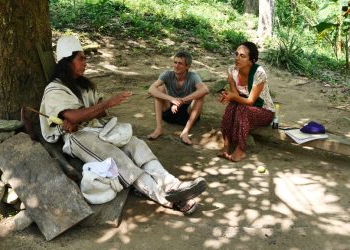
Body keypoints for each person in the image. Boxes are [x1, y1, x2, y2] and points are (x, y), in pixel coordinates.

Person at [39, 35, 206, 215]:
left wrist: (88, 112)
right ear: (67, 61)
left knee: (137, 145)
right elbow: (73, 115)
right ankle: (168, 199)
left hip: (97, 127)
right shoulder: (55, 89)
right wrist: (99, 107)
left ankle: (174, 185)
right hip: (78, 137)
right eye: (81, 59)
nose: (85, 63)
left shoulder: (82, 85)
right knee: (119, 159)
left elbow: (94, 112)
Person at [218, 41, 275, 162]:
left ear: (252, 60)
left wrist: (232, 97)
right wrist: (227, 96)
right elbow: (235, 96)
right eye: (236, 54)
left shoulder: (259, 73)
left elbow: (250, 101)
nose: (237, 58)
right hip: (244, 107)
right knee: (231, 107)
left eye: (242, 56)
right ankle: (226, 145)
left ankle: (241, 149)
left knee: (242, 110)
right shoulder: (231, 70)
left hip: (264, 111)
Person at [147, 51, 209, 145]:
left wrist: (181, 101)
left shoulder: (193, 76)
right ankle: (159, 129)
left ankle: (185, 132)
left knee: (200, 96)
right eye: (175, 62)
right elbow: (151, 89)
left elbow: (205, 90)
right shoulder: (167, 74)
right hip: (169, 111)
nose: (176, 65)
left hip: (187, 114)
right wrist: (172, 99)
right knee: (159, 88)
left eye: (180, 63)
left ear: (187, 66)